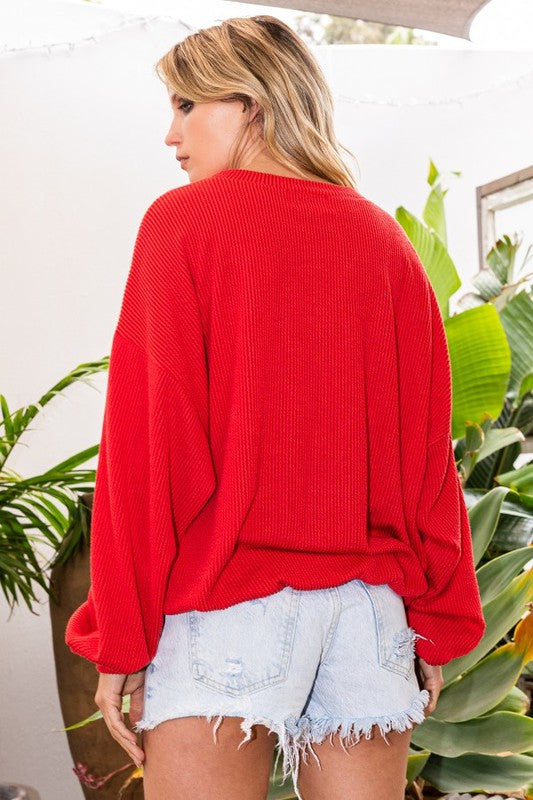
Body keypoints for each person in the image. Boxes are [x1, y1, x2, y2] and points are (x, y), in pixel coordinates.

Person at [65, 14, 486, 800]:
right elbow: (424, 463)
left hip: (229, 608)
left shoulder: (182, 224)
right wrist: (435, 622)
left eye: (186, 105)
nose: (170, 134)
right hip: (368, 618)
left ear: (251, 103)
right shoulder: (384, 242)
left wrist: (121, 637)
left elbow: (149, 452)